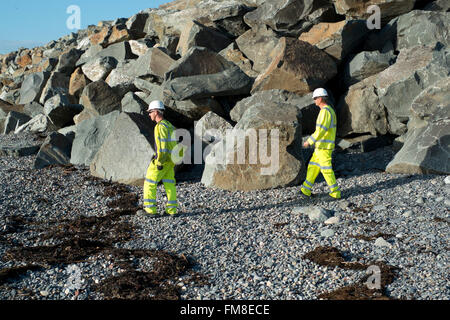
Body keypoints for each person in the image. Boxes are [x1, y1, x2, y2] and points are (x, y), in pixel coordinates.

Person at [301, 88, 341, 199]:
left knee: (326, 170)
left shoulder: (325, 112)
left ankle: (335, 193)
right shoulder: (327, 111)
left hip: (324, 147)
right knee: (313, 167)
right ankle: (305, 190)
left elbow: (321, 130)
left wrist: (309, 141)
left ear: (320, 98)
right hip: (320, 147)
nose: (314, 100)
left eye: (315, 98)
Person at [143, 100, 179, 217]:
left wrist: (158, 162)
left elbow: (162, 147)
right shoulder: (169, 125)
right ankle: (172, 210)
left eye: (150, 112)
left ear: (156, 112)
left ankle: (150, 210)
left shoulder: (159, 127)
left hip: (162, 161)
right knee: (169, 184)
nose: (149, 114)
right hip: (171, 161)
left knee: (149, 183)